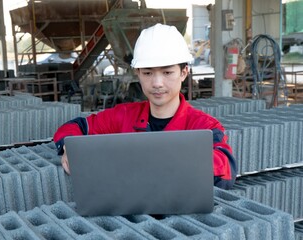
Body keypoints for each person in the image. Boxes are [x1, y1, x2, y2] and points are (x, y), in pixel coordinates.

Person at [53, 23, 237, 190]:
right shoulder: (123, 116)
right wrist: (70, 146)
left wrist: (168, 160)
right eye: (148, 73)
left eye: (167, 72)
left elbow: (226, 170)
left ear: (183, 73)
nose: (157, 83)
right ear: (138, 74)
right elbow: (75, 126)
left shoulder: (203, 127)